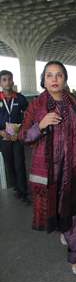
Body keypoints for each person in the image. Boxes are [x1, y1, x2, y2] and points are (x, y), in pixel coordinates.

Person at [18, 61, 76, 275]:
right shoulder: (36, 105)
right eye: (49, 75)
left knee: (75, 214)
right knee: (56, 210)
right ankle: (62, 227)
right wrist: (40, 125)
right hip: (48, 172)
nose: (54, 79)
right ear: (44, 79)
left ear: (65, 78)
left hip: (73, 169)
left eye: (59, 75)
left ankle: (75, 257)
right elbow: (23, 136)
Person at [0, 70, 29, 202]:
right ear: (0, 83)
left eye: (9, 79)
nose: (7, 82)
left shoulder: (20, 98)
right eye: (4, 79)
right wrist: (1, 132)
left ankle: (23, 192)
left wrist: (22, 129)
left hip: (17, 137)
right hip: (3, 137)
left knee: (19, 163)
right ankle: (17, 187)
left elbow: (29, 115)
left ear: (13, 81)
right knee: (9, 164)